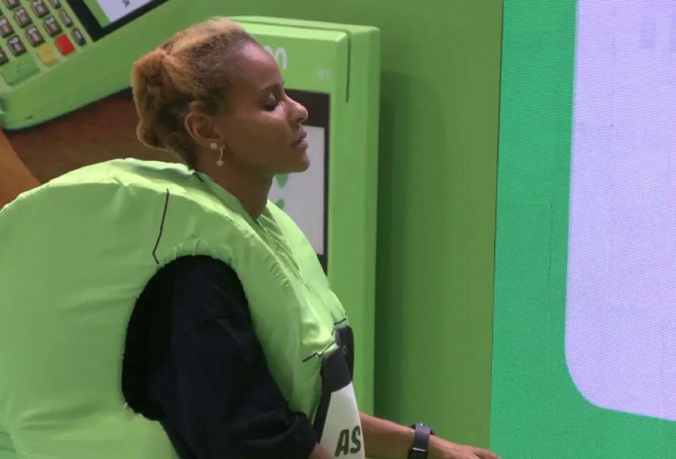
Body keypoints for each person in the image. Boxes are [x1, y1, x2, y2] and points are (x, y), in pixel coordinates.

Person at [118, 17, 501, 459]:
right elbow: (261, 445)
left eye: (286, 93)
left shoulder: (261, 230)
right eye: (271, 102)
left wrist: (429, 448)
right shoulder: (193, 280)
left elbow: (305, 413)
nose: (298, 110)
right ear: (206, 129)